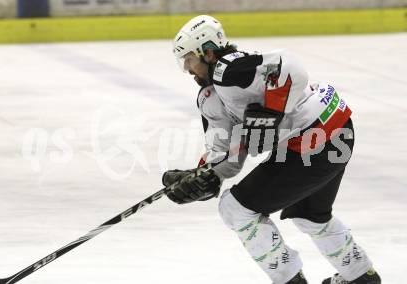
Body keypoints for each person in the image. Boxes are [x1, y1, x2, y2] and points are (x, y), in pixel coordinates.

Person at [162, 15, 381, 284]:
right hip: (334, 134)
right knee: (310, 215)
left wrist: (272, 111)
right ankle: (360, 275)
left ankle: (290, 279)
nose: (186, 69)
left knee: (235, 209)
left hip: (314, 139)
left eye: (188, 59)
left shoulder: (228, 68)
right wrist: (204, 176)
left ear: (207, 53)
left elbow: (291, 67)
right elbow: (226, 152)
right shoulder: (210, 98)